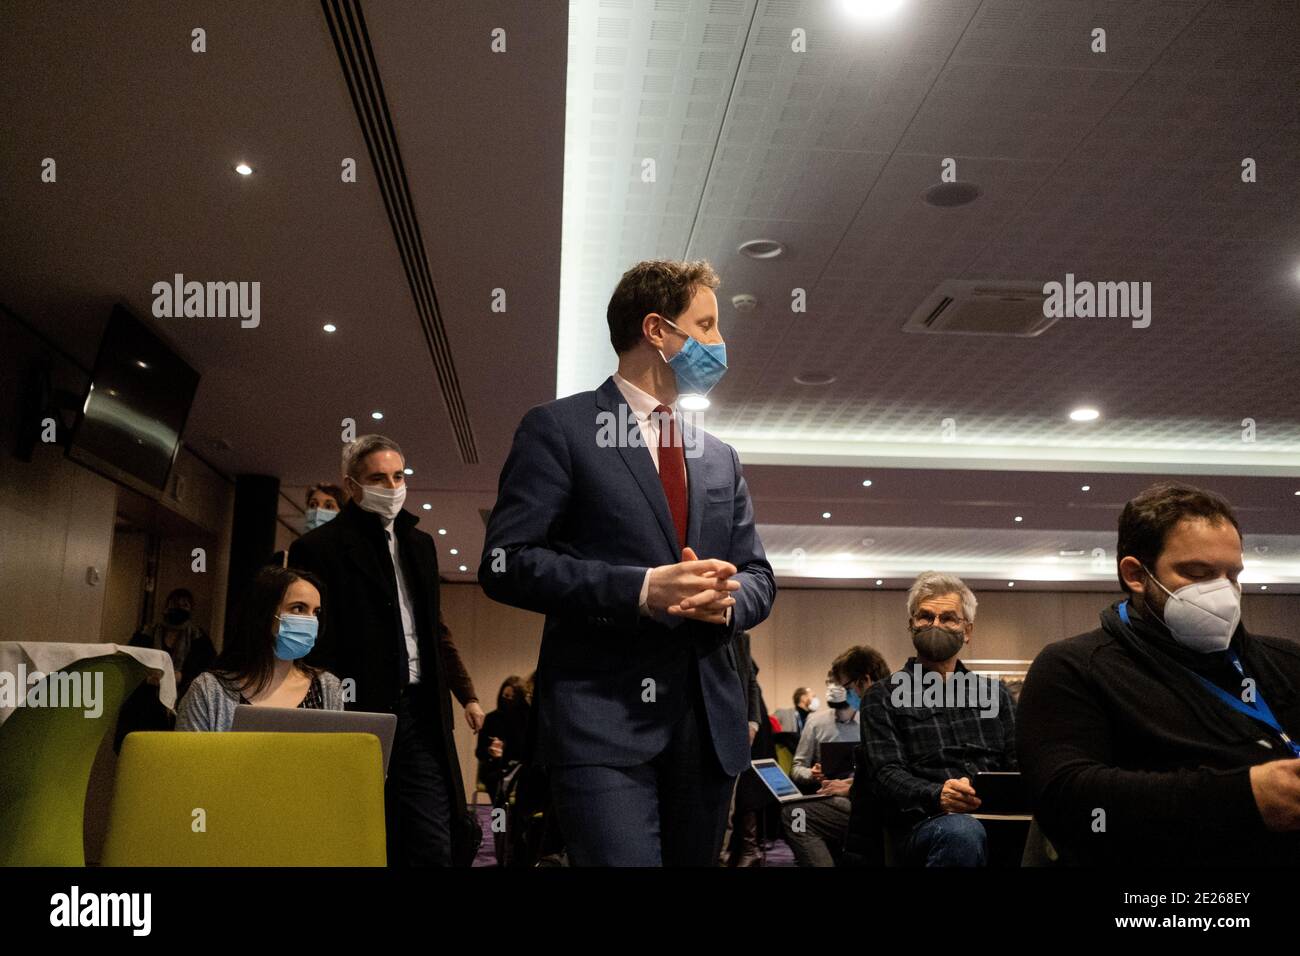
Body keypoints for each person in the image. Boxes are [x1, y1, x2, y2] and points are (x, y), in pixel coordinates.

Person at [479, 258, 776, 867]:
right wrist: (641, 590)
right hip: (602, 723)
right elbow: (506, 562)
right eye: (708, 325)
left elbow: (758, 576)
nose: (720, 343)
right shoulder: (559, 428)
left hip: (708, 725)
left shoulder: (719, 456)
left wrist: (728, 600)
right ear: (658, 330)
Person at [1018, 482, 1300, 866]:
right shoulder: (1074, 667)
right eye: (1198, 573)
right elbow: (1067, 799)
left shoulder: (1286, 662)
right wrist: (1244, 797)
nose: (1222, 591)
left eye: (1231, 575)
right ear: (1137, 574)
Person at [289, 435, 483, 867]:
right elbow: (313, 641)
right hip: (357, 707)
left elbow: (434, 630)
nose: (392, 487)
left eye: (398, 476)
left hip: (421, 711)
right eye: (378, 477)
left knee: (434, 841)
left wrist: (465, 694)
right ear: (352, 484)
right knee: (357, 832)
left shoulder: (421, 546)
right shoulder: (318, 549)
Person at [859, 572, 1017, 867]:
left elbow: (1018, 762)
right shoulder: (882, 696)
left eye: (948, 619)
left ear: (967, 631)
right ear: (911, 625)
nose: (936, 625)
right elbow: (885, 774)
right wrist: (937, 794)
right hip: (926, 823)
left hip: (996, 815)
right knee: (962, 832)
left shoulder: (996, 694)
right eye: (925, 617)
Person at [176, 567, 344, 731]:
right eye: (298, 608)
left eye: (316, 612)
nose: (311, 621)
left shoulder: (328, 687)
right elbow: (188, 758)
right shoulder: (209, 691)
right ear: (264, 613)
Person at [781, 646, 889, 867]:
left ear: (865, 681)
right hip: (857, 796)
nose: (845, 693)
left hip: (876, 809)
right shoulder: (887, 708)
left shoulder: (877, 716)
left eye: (846, 687)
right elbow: (881, 773)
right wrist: (843, 782)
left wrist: (850, 788)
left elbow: (890, 778)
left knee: (795, 816)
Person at [132, 587, 215, 701]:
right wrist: (147, 678)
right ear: (166, 607)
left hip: (184, 697)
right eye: (175, 604)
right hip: (147, 697)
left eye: (184, 605)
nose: (179, 608)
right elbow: (131, 661)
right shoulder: (146, 633)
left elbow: (207, 669)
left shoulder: (199, 638)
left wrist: (182, 677)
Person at [475, 676, 531, 800]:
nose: (508, 700)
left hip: (520, 768)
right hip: (496, 769)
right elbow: (479, 752)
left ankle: (521, 818)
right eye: (505, 696)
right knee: (498, 784)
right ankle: (499, 819)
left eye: (513, 698)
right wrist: (490, 751)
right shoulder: (491, 719)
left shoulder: (528, 720)